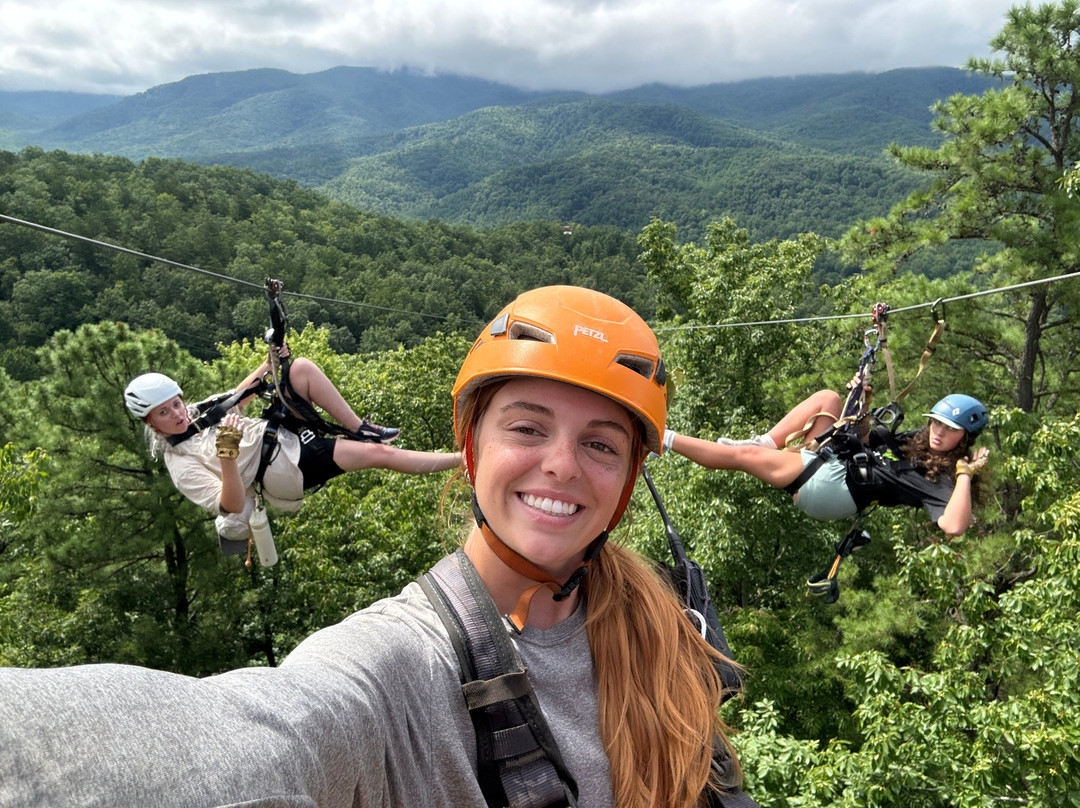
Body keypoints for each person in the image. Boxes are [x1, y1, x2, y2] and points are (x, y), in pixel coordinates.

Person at [0, 286, 747, 808]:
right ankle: (386, 446)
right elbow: (265, 734)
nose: (561, 464)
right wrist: (231, 455)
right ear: (474, 443)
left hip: (282, 445)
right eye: (526, 427)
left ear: (627, 480)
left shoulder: (660, 621)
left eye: (601, 444)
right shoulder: (398, 667)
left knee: (323, 401)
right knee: (363, 457)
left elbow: (229, 396)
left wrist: (266, 372)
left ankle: (363, 431)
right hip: (264, 477)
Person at [124, 349, 461, 552]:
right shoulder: (182, 464)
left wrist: (272, 357)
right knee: (379, 456)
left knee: (300, 369)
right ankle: (462, 461)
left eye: (176, 404)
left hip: (279, 433)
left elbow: (241, 394)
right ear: (152, 425)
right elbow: (231, 504)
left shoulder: (200, 413)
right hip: (283, 469)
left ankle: (362, 427)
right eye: (164, 413)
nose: (178, 414)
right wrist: (227, 453)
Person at [663, 383, 990, 536]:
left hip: (838, 489)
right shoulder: (917, 441)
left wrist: (965, 474)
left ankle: (662, 438)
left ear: (965, 437)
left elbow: (954, 525)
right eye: (937, 423)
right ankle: (765, 442)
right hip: (843, 461)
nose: (938, 432)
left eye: (950, 430)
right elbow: (865, 439)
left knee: (742, 457)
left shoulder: (944, 477)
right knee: (828, 399)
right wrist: (862, 408)